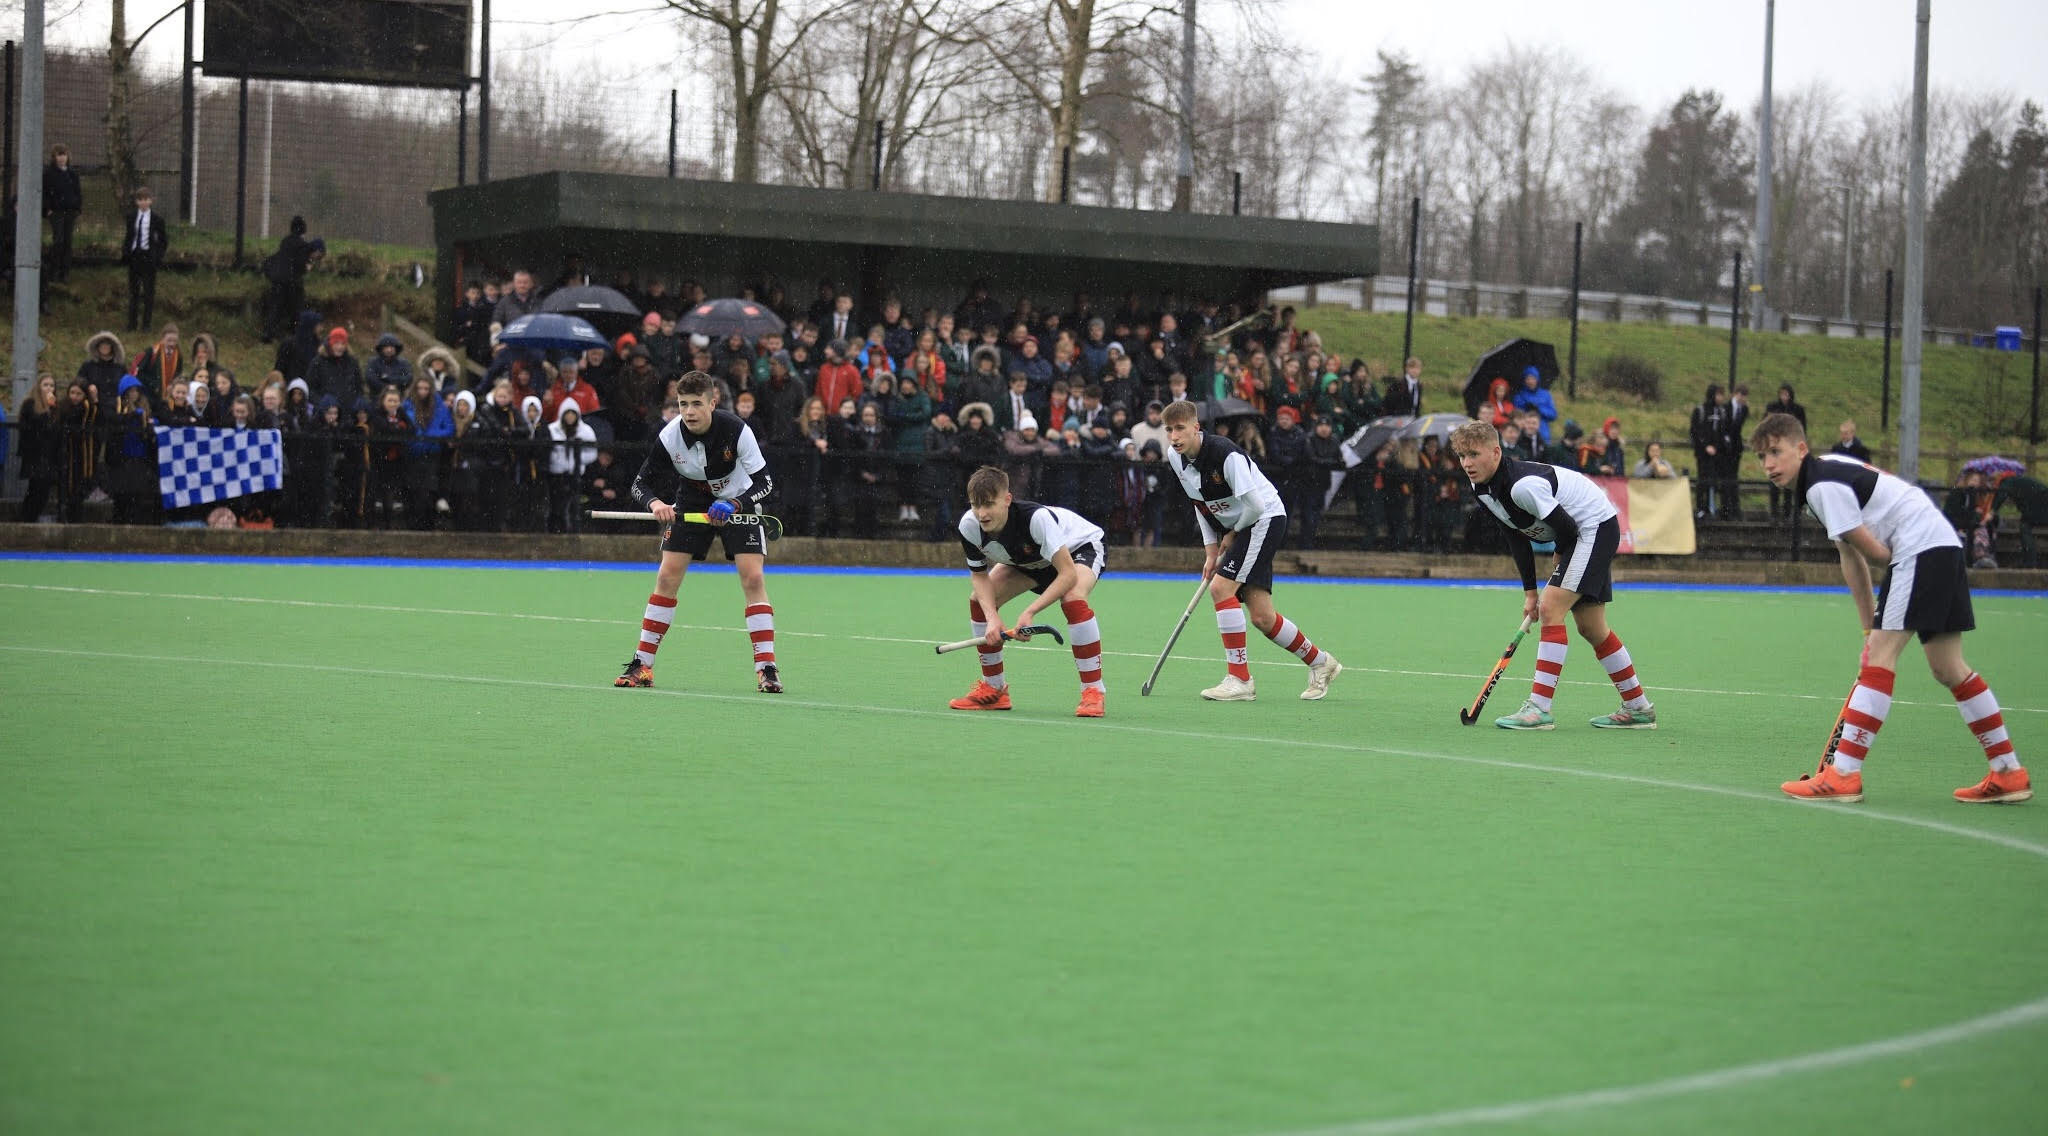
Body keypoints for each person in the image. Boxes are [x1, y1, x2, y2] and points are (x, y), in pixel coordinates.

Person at [1752, 413, 2030, 804]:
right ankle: (2008, 771)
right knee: (1948, 668)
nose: (1769, 465)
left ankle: (1843, 774)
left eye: (1776, 452)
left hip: (1918, 549)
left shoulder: (1821, 486)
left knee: (1880, 661)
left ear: (1801, 448)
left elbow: (1874, 553)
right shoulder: (1828, 471)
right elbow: (1850, 556)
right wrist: (1870, 627)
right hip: (1943, 544)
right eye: (1762, 457)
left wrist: (1876, 637)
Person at [1449, 420, 1659, 731]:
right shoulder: (1482, 489)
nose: (1467, 463)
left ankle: (1539, 709)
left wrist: (1559, 559)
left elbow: (1568, 529)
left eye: (1474, 454)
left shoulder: (1522, 486)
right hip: (1583, 531)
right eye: (1462, 456)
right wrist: (1530, 592)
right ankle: (1638, 707)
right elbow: (1515, 535)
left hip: (1592, 526)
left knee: (1551, 609)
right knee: (1591, 627)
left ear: (1495, 452)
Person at [1160, 400, 1342, 701]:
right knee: (1262, 617)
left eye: (1180, 428)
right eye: (1169, 430)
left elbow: (1256, 506)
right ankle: (1321, 662)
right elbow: (1201, 505)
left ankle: (1240, 679)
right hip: (1239, 524)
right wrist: (1210, 551)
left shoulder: (1225, 455)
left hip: (1263, 518)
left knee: (1221, 588)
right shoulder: (1174, 457)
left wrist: (1232, 534)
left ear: (1196, 427)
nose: (1174, 436)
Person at [617, 372, 783, 694]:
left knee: (753, 578)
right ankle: (642, 664)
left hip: (738, 500)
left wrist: (735, 503)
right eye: (683, 404)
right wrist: (655, 503)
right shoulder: (670, 436)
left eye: (696, 404)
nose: (689, 412)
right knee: (667, 576)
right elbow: (639, 483)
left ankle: (767, 669)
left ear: (712, 403)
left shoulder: (737, 430)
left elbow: (765, 482)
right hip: (691, 501)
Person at [946, 465, 1112, 718]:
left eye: (989, 504)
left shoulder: (1035, 519)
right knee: (980, 601)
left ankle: (1093, 691)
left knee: (1072, 598)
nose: (982, 513)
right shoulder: (969, 526)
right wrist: (992, 618)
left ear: (1007, 499)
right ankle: (994, 690)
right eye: (975, 505)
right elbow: (979, 577)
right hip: (1029, 561)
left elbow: (1067, 574)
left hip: (1079, 549)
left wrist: (1030, 612)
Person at [121, 187, 169, 332]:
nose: (143, 202)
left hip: (149, 257)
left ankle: (146, 325)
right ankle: (132, 324)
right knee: (133, 292)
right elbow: (129, 236)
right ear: (136, 202)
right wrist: (126, 253)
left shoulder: (157, 219)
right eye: (140, 200)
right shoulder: (131, 217)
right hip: (135, 256)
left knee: (148, 292)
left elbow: (163, 241)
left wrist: (157, 256)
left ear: (151, 201)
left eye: (146, 199)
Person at [42, 144, 82, 284]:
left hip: (70, 212)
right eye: (59, 155)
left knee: (67, 242)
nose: (62, 158)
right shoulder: (49, 174)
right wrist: (48, 210)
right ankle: (54, 271)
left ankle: (65, 274)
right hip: (56, 212)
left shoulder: (72, 174)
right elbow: (45, 193)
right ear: (54, 157)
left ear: (67, 156)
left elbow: (78, 192)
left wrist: (77, 208)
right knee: (58, 241)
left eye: (64, 155)